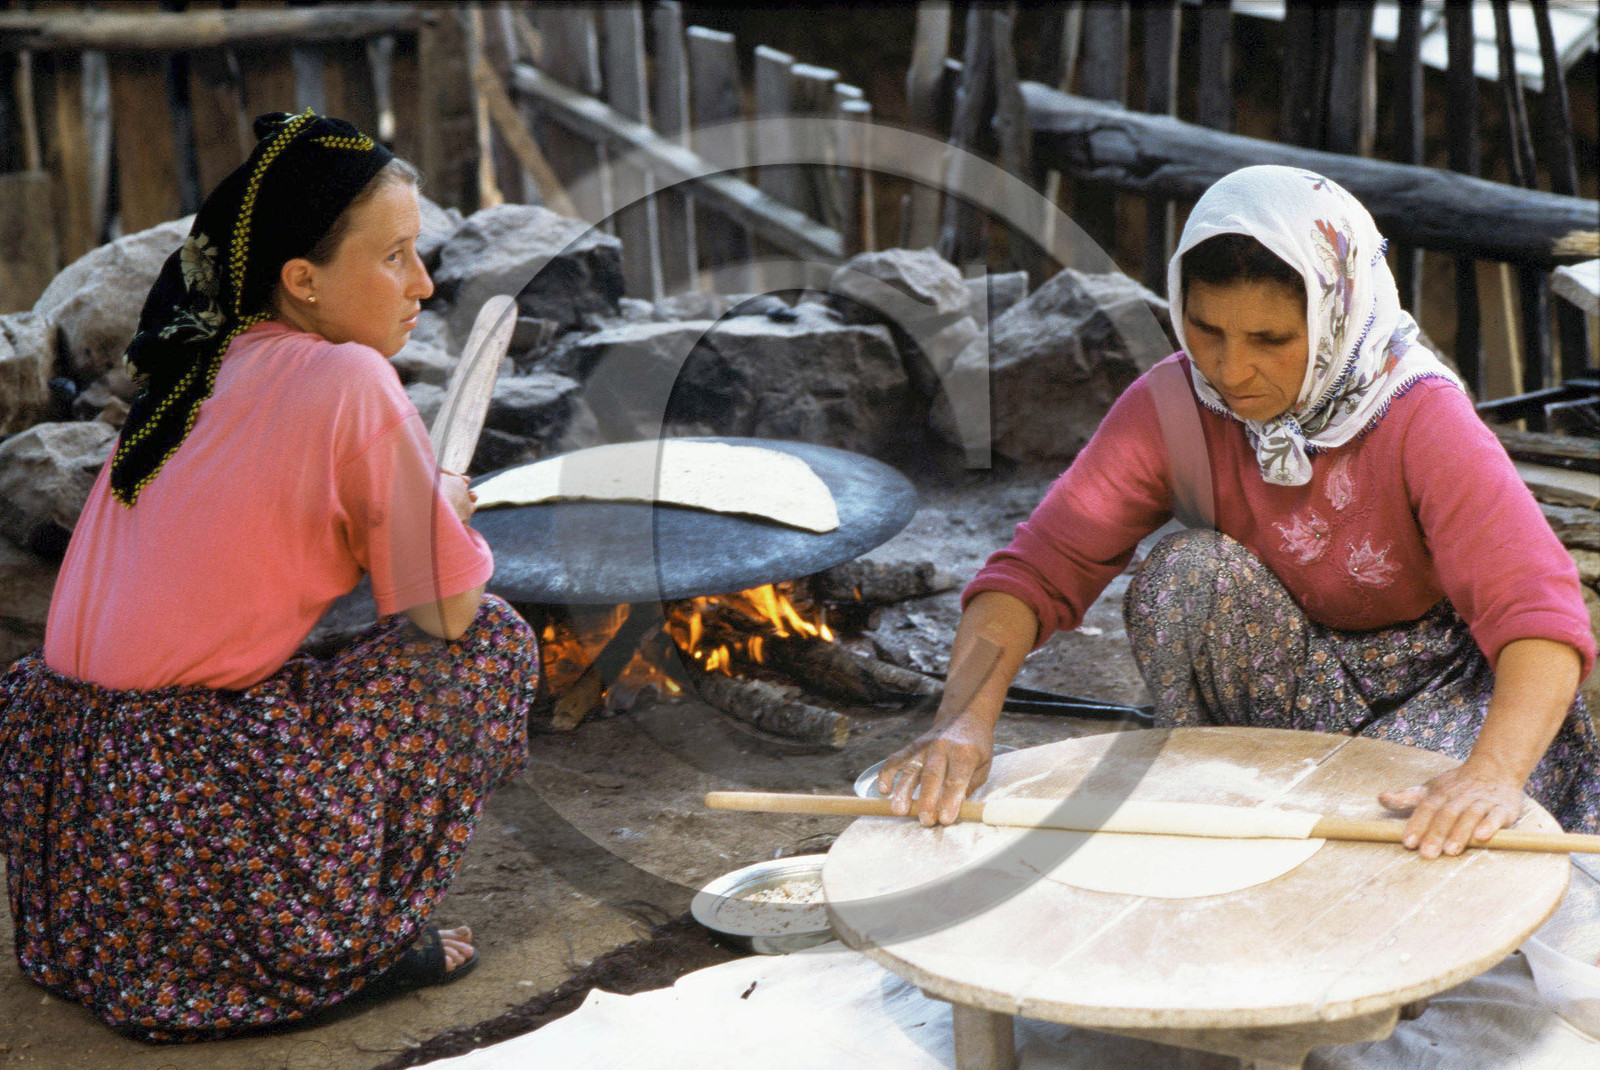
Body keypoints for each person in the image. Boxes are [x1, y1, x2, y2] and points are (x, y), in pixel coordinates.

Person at [0, 110, 536, 1041]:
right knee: (490, 648)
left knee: (294, 672)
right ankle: (343, 947)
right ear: (302, 281)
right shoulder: (345, 382)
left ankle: (153, 949)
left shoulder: (196, 365)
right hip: (180, 802)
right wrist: (444, 505)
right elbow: (448, 616)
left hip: (77, 826)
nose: (424, 283)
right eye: (394, 257)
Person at [880, 164, 1598, 854]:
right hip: (1295, 674)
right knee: (1187, 574)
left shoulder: (1419, 415)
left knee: (1422, 832)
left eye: (1270, 340)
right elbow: (1036, 571)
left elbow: (1539, 614)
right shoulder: (1176, 402)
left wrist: (1493, 773)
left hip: (1441, 689)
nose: (1228, 369)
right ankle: (1224, 785)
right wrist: (963, 721)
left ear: (1335, 314)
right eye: (1205, 329)